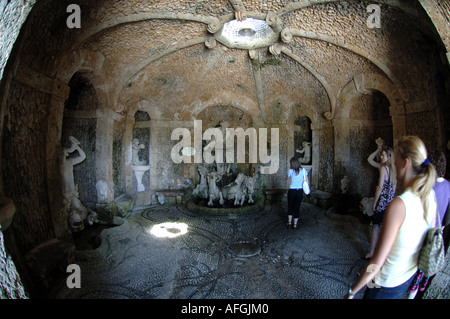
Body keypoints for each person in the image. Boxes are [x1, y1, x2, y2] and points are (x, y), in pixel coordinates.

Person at [345, 136, 437, 299]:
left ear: (405, 162)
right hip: (405, 279)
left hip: (385, 283)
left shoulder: (399, 205)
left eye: (396, 158)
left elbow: (377, 262)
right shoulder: (430, 197)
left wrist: (352, 291)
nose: (394, 163)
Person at [408, 149, 450, 299]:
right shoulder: (448, 185)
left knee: (417, 262)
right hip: (437, 231)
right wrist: (442, 227)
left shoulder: (427, 186)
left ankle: (411, 293)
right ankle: (422, 284)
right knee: (427, 260)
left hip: (423, 231)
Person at [365, 142, 397, 259]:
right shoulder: (393, 169)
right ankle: (383, 252)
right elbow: (393, 188)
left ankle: (372, 252)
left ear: (388, 157)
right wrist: (378, 149)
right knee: (385, 226)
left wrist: (375, 203)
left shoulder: (383, 168)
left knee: (375, 226)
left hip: (382, 201)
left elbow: (379, 187)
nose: (381, 157)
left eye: (383, 155)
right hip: (389, 202)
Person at [286, 157, 308, 230]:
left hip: (292, 191)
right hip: (299, 191)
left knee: (290, 207)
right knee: (297, 208)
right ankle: (295, 225)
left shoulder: (290, 171)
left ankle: (289, 223)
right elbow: (307, 181)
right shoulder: (303, 170)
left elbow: (287, 178)